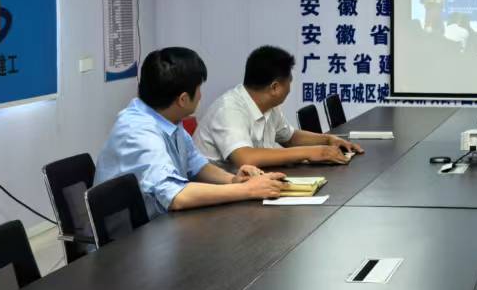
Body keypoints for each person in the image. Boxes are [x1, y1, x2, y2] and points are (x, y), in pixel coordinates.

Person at [94, 47, 286, 217]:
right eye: (199, 89)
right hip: (129, 239)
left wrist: (234, 180)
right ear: (183, 99)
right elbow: (176, 196)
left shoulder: (167, 117)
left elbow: (196, 165)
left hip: (160, 223)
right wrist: (248, 190)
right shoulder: (137, 131)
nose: (201, 95)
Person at [194, 45, 364, 170]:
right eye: (289, 80)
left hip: (248, 186)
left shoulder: (269, 105)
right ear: (275, 87)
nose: (290, 87)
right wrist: (310, 152)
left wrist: (328, 140)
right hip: (216, 193)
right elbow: (245, 158)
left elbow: (290, 137)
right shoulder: (229, 110)